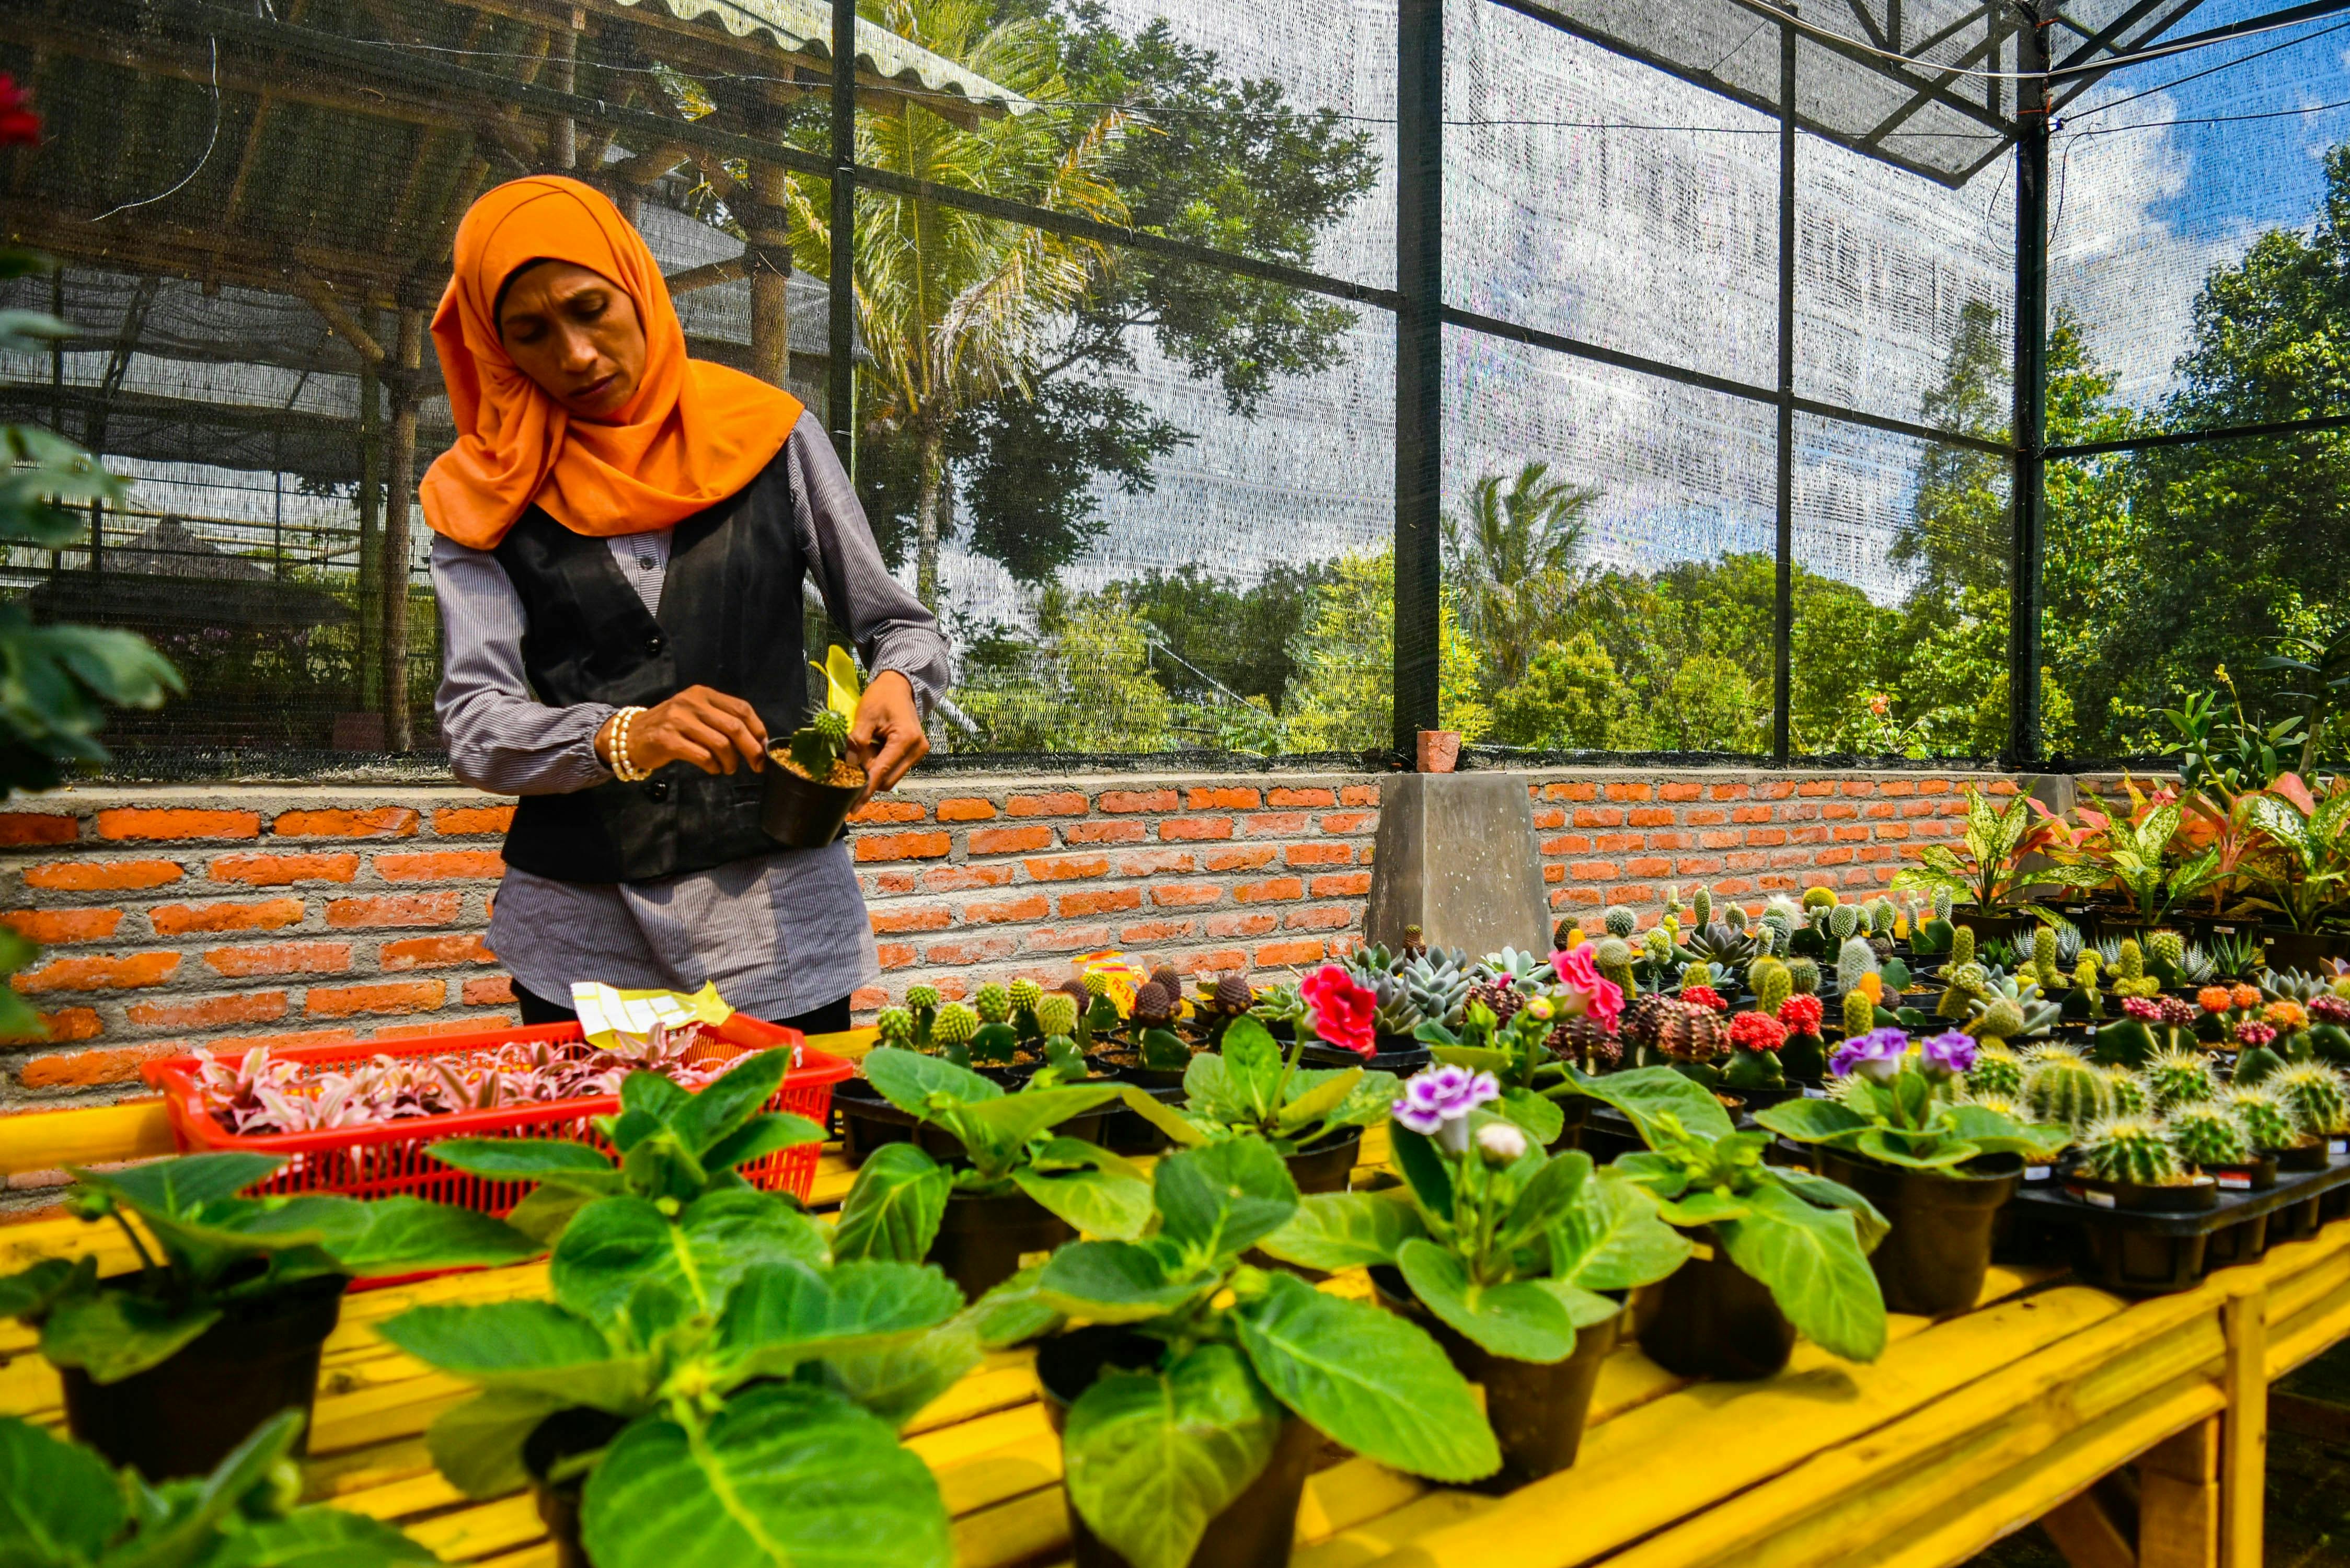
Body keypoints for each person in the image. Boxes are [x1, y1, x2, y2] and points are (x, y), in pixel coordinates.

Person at [423, 175, 945, 1035]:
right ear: (496, 346)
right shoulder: (481, 495)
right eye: (531, 333)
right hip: (582, 944)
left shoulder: (770, 435)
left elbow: (899, 626)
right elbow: (475, 725)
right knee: (602, 1168)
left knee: (785, 1159)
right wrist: (625, 734)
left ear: (637, 287)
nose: (577, 355)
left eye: (592, 308)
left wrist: (901, 682)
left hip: (779, 932)